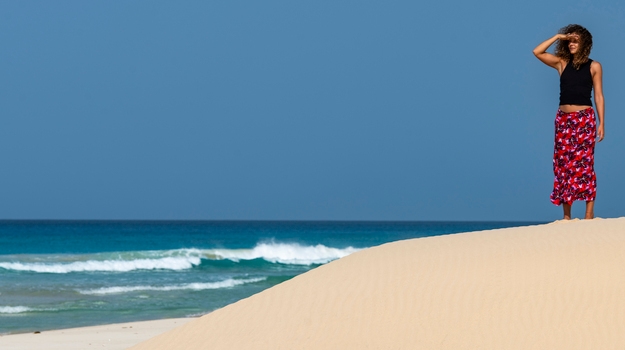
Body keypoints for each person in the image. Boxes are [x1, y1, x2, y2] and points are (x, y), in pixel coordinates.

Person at [533, 24, 605, 220]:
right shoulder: (562, 63)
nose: (572, 44)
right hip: (563, 120)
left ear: (584, 43)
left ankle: (589, 214)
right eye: (570, 40)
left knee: (584, 164)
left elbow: (598, 96)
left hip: (584, 119)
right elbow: (537, 51)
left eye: (576, 40)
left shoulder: (594, 66)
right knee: (563, 164)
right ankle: (567, 216)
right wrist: (558, 36)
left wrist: (601, 123)